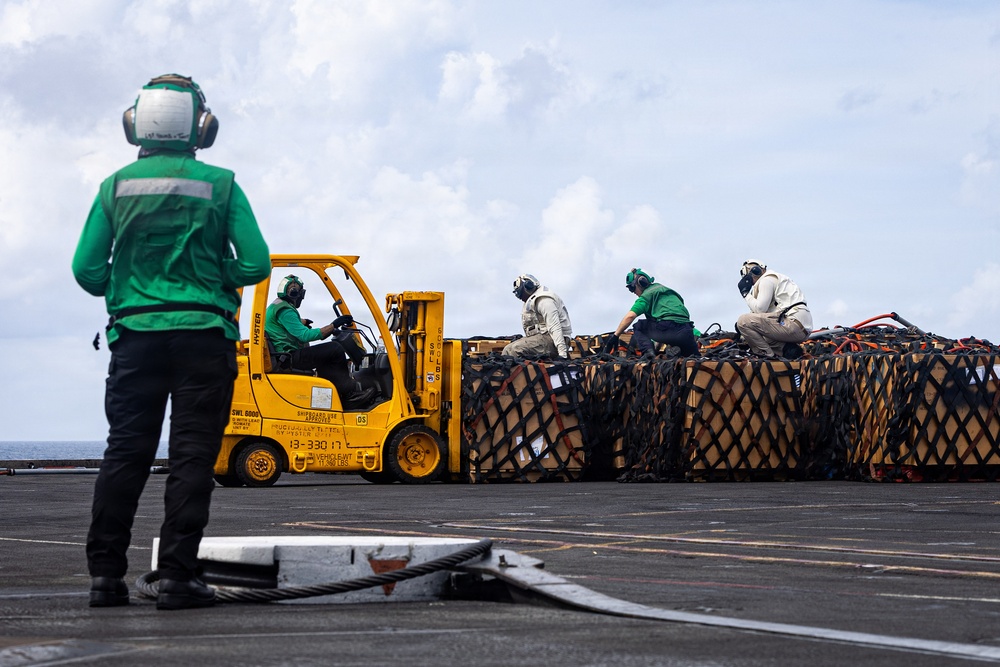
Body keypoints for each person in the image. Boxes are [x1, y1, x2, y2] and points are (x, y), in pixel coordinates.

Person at [72, 74, 271, 610]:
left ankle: (106, 579)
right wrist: (211, 276)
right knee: (192, 459)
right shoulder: (221, 184)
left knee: (125, 454)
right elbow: (255, 264)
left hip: (135, 340)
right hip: (204, 340)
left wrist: (132, 281)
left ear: (135, 122)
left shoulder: (115, 186)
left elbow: (87, 271)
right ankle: (179, 578)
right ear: (201, 128)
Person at [264, 274, 376, 407]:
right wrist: (333, 325)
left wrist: (303, 321)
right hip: (288, 358)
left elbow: (283, 324)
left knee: (324, 355)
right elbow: (305, 336)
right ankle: (348, 395)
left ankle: (333, 395)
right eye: (300, 293)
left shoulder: (277, 306)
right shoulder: (285, 310)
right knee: (335, 349)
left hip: (285, 356)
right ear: (294, 293)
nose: (301, 297)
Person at [609, 268, 698, 358]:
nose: (633, 292)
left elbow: (630, 316)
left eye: (632, 288)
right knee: (696, 360)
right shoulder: (669, 292)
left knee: (639, 326)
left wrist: (615, 336)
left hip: (668, 329)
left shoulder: (647, 296)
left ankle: (648, 354)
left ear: (641, 282)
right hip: (687, 331)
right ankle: (677, 351)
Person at [735, 259, 813, 358]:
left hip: (792, 323)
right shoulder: (779, 279)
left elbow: (760, 309)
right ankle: (787, 350)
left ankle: (764, 355)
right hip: (800, 326)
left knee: (743, 321)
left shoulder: (766, 280)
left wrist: (745, 293)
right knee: (757, 335)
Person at [501, 274, 574, 358]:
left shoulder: (544, 301)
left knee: (515, 349)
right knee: (507, 349)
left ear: (527, 287)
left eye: (520, 293)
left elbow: (555, 327)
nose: (520, 297)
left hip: (553, 340)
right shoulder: (532, 300)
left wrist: (562, 354)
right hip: (543, 338)